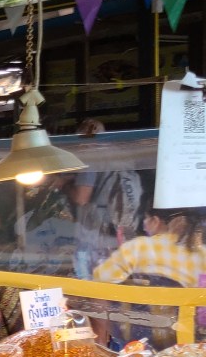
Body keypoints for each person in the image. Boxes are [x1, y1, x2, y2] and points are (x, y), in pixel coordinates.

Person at [63, 119, 143, 278]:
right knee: (115, 278)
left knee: (93, 280)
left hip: (97, 234)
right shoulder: (122, 156)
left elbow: (81, 198)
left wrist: (63, 185)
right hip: (122, 231)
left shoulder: (90, 154)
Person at [92, 209, 206, 287]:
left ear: (155, 221)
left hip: (138, 321)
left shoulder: (138, 247)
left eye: (145, 219)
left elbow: (101, 278)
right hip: (184, 321)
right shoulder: (202, 255)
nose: (144, 227)